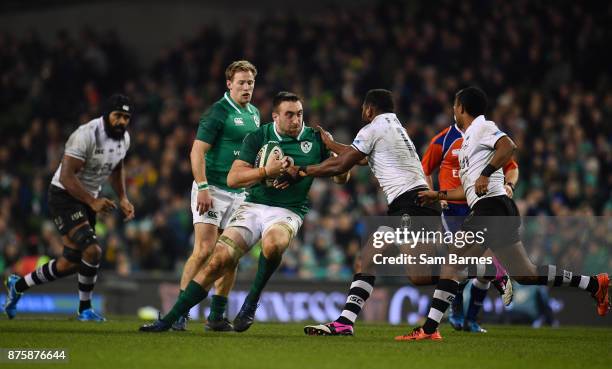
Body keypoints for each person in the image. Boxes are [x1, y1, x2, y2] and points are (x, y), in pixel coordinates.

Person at [398, 86, 609, 341]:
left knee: (453, 261)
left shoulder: (482, 127)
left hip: (491, 207)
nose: (453, 110)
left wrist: (487, 173)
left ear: (461, 108)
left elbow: (509, 146)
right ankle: (594, 284)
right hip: (496, 209)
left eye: (455, 106)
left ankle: (429, 330)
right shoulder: (466, 143)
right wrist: (438, 195)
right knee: (526, 273)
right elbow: (467, 190)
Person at [139, 91, 349, 332]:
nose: (296, 120)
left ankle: (251, 302)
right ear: (275, 117)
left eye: (299, 114)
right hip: (252, 205)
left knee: (272, 244)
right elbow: (234, 177)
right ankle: (168, 320)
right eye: (289, 114)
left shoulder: (315, 139)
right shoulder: (259, 136)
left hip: (287, 210)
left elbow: (343, 177)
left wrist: (334, 154)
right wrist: (266, 172)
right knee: (218, 260)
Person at [298, 89, 447, 336]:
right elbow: (360, 156)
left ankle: (479, 270)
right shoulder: (393, 126)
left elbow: (342, 164)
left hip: (412, 204)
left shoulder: (373, 129)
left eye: (363, 110)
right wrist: (331, 143)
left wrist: (304, 170)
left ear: (369, 109)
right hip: (408, 204)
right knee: (366, 258)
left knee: (419, 276)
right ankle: (345, 322)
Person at [3, 94, 135, 322]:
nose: (122, 121)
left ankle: (18, 285)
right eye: (118, 116)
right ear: (106, 114)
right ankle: (85, 309)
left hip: (87, 200)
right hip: (64, 195)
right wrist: (93, 201)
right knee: (92, 251)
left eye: (126, 117)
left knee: (69, 264)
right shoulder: (85, 135)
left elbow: (117, 168)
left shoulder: (124, 139)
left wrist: (123, 197)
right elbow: (65, 175)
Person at [174, 60, 260, 331]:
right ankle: (180, 312)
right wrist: (201, 186)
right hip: (211, 189)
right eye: (242, 83)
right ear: (229, 84)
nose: (247, 87)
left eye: (250, 83)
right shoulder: (218, 112)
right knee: (204, 250)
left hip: (240, 193)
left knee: (230, 254)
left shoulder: (255, 113)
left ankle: (216, 315)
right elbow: (197, 151)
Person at [421, 122, 519, 333]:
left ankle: (471, 320)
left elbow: (512, 168)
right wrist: (436, 196)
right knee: (459, 262)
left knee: (469, 266)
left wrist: (509, 186)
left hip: (481, 206)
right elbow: (426, 169)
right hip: (454, 210)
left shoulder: (484, 136)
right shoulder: (443, 139)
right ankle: (457, 312)